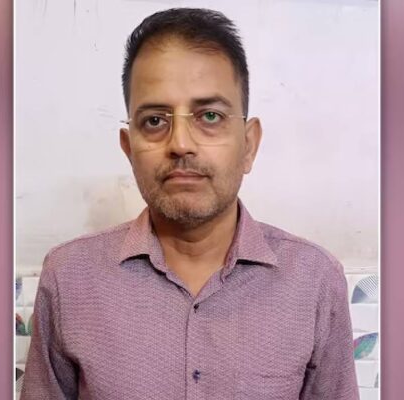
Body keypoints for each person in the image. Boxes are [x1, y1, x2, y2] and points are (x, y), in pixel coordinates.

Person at [21, 7, 359, 400]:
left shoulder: (314, 281)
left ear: (249, 145)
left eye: (209, 116)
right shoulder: (69, 278)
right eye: (154, 121)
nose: (181, 144)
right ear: (129, 149)